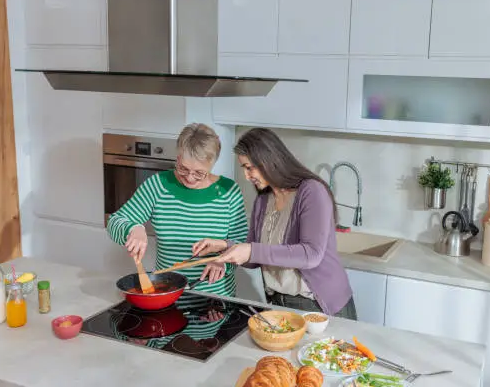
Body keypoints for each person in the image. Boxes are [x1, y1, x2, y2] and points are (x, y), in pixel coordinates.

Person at [193, 128, 357, 319]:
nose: (246, 176)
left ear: (268, 160)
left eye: (249, 167)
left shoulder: (311, 191)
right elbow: (255, 258)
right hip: (278, 303)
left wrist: (250, 250)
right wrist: (224, 246)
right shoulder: (263, 200)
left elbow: (311, 254)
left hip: (319, 306)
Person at [107, 123, 248, 297]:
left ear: (212, 164)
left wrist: (224, 263)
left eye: (199, 173)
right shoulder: (158, 185)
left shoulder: (229, 191)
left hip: (216, 299)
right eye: (183, 168)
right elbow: (115, 222)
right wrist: (133, 228)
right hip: (167, 295)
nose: (189, 178)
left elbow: (242, 243)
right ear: (178, 156)